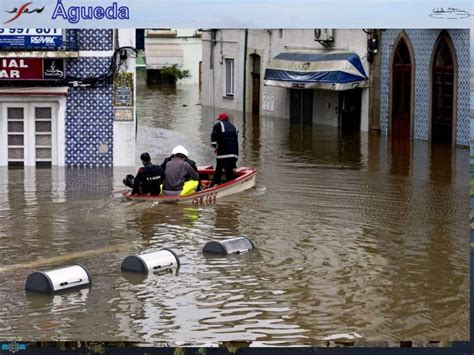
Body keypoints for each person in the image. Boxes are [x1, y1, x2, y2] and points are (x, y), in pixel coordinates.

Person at [211, 112, 238, 186]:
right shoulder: (233, 126)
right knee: (229, 170)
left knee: (219, 169)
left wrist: (214, 145)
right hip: (233, 154)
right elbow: (235, 140)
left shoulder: (218, 125)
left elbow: (214, 134)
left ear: (221, 119)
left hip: (223, 153)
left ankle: (215, 183)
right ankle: (230, 184)